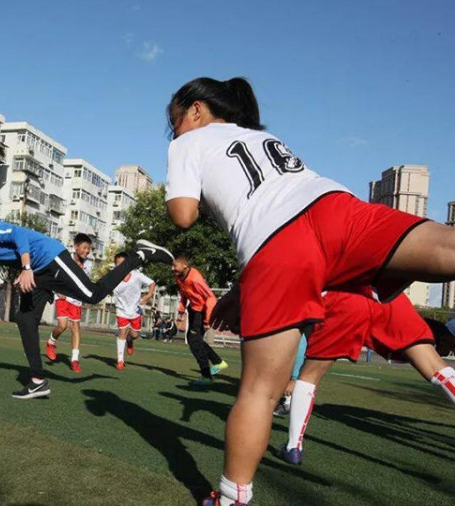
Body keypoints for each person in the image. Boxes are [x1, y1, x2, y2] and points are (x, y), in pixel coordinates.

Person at [160, 77, 455, 506]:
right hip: (336, 207)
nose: (175, 132)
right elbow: (291, 211)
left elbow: (184, 215)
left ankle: (231, 498)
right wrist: (239, 292)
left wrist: (192, 191)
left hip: (277, 250)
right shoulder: (263, 138)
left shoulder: (189, 142)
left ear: (197, 110)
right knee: (447, 247)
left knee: (260, 390)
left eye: (176, 122)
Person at [0, 212, 173, 399]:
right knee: (25, 319)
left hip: (51, 259)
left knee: (92, 294)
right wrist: (24, 271)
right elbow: (13, 249)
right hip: (39, 271)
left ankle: (139, 256)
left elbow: (19, 234)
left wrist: (27, 268)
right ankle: (38, 381)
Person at [279, 291, 455, 466]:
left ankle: (293, 447)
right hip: (387, 294)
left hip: (342, 297)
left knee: (309, 376)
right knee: (436, 368)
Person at [172, 255, 229, 386]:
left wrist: (207, 320)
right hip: (193, 309)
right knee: (194, 339)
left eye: (175, 266)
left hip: (203, 311)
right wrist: (181, 310)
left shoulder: (196, 279)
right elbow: (184, 293)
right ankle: (218, 363)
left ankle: (207, 376)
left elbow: (211, 298)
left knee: (194, 340)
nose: (172, 268)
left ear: (185, 266)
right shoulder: (178, 276)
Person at [45, 233, 93, 373]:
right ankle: (51, 342)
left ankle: (74, 360)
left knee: (76, 328)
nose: (86, 251)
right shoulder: (65, 259)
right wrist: (56, 291)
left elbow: (85, 283)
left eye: (88, 249)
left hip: (76, 300)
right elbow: (53, 275)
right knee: (62, 326)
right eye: (84, 248)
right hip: (63, 297)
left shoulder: (88, 265)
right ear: (75, 247)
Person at [110, 251, 156, 371]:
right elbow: (103, 286)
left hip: (135, 310)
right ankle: (120, 360)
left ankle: (130, 341)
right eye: (118, 264)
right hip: (121, 310)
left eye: (123, 263)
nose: (120, 266)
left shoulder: (136, 275)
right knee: (122, 333)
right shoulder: (113, 277)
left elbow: (152, 283)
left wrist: (147, 296)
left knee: (134, 335)